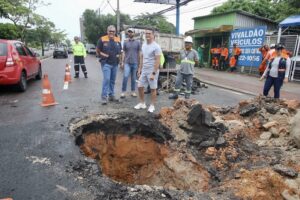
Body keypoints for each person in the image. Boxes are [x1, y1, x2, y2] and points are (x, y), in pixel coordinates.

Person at [134, 28, 162, 113]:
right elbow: (142, 57)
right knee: (140, 86)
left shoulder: (156, 46)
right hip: (144, 69)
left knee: (153, 89)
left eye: (149, 33)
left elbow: (158, 60)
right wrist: (139, 69)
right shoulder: (143, 45)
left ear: (153, 35)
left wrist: (153, 73)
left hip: (152, 70)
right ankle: (142, 103)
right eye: (146, 34)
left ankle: (152, 105)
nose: (147, 35)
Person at [96, 25, 122, 105]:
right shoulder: (102, 39)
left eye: (113, 31)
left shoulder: (118, 39)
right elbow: (98, 50)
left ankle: (111, 95)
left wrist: (120, 61)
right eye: (110, 31)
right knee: (107, 79)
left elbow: (120, 51)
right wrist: (102, 57)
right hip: (106, 63)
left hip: (115, 64)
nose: (111, 32)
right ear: (107, 31)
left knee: (112, 80)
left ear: (115, 32)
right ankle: (104, 97)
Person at [120, 28, 141, 98]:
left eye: (131, 32)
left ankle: (133, 91)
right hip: (127, 62)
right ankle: (123, 92)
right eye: (129, 32)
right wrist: (122, 62)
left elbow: (139, 53)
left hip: (135, 62)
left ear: (134, 33)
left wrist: (139, 64)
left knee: (133, 78)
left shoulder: (138, 42)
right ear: (127, 34)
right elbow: (124, 52)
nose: (130, 33)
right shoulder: (125, 42)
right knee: (125, 76)